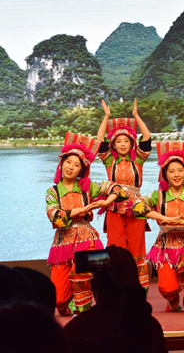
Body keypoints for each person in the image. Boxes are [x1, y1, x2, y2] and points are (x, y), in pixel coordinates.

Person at [46, 131, 127, 316]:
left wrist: (106, 202)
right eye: (68, 162)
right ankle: (70, 305)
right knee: (58, 300)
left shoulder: (87, 187)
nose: (71, 167)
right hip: (62, 243)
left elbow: (117, 188)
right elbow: (54, 216)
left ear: (81, 170)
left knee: (81, 273)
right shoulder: (53, 191)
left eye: (77, 165)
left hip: (88, 239)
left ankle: (85, 316)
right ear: (61, 163)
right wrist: (81, 210)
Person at [132, 141, 184, 313]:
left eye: (180, 170)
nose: (176, 175)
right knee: (166, 288)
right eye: (171, 171)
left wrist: (182, 222)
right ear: (165, 175)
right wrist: (163, 218)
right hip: (165, 245)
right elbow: (137, 206)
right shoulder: (158, 195)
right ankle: (173, 300)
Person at [95, 99, 152, 289]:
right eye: (118, 141)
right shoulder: (109, 160)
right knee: (115, 247)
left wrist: (136, 116)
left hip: (136, 207)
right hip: (114, 206)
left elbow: (147, 137)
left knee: (137, 248)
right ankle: (116, 287)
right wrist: (106, 117)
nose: (122, 144)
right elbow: (99, 141)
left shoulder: (139, 159)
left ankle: (139, 288)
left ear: (131, 143)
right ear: (113, 144)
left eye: (126, 141)